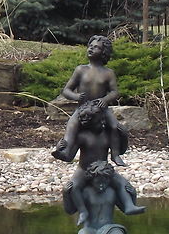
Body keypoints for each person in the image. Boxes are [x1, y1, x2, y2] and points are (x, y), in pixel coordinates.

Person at [60, 102, 144, 226]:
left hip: (104, 168)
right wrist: (58, 151)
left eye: (90, 119)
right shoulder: (82, 136)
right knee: (73, 187)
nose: (85, 121)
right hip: (84, 170)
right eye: (83, 119)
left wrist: (124, 135)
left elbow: (119, 151)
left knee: (123, 184)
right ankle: (83, 211)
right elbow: (68, 157)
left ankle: (129, 206)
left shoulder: (108, 135)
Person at [51, 35, 127, 166]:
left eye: (96, 47)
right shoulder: (81, 69)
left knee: (114, 127)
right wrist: (75, 96)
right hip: (83, 108)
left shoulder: (108, 73)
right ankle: (66, 151)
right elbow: (66, 90)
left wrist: (105, 99)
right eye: (90, 46)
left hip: (101, 108)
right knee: (72, 126)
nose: (91, 49)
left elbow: (114, 92)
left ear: (104, 52)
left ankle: (115, 154)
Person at [66, 160, 142, 234]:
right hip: (91, 230)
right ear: (91, 179)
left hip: (110, 228)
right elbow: (70, 210)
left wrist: (133, 196)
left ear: (109, 179)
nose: (102, 185)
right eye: (98, 182)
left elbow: (125, 209)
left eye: (105, 182)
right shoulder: (86, 192)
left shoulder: (112, 192)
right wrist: (65, 194)